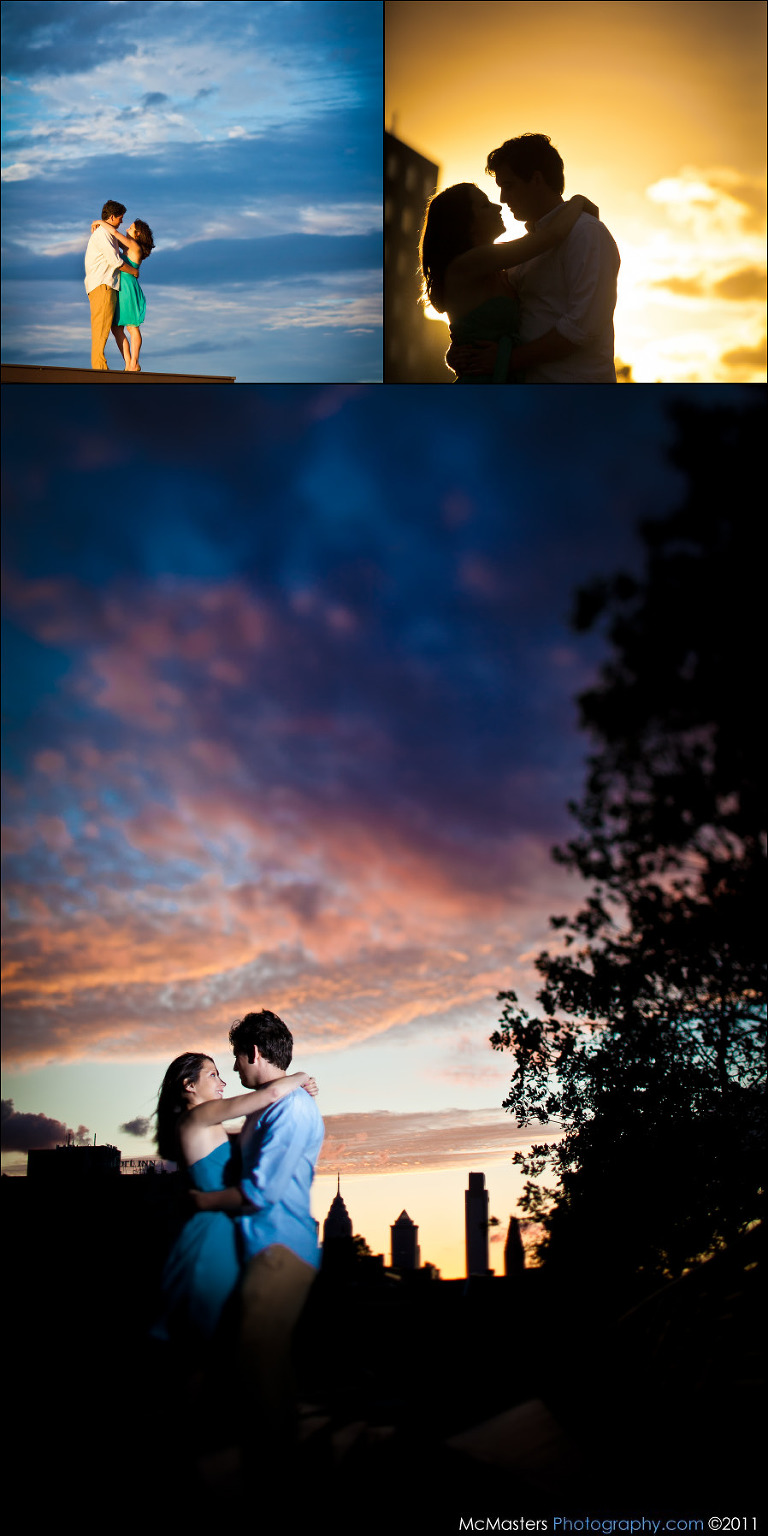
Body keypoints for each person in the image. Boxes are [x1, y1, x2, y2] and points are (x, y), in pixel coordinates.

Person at [152, 1051, 317, 1347]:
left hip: (224, 1228)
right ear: (190, 1085)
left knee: (215, 1342)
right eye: (213, 1075)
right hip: (211, 1232)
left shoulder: (206, 1124)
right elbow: (271, 1094)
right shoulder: (198, 1116)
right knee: (201, 1343)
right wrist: (301, 1077)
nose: (223, 1082)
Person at [223, 1009, 325, 1459]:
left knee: (255, 1357)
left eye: (236, 1057)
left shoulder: (290, 1107)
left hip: (279, 1247)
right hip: (266, 1246)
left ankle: (275, 1470)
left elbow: (262, 1190)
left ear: (254, 1052)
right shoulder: (270, 1106)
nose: (233, 1068)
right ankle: (283, 1462)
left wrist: (202, 1201)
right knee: (268, 1364)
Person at [445, 133, 620, 383]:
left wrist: (507, 359)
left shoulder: (586, 232)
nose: (502, 199)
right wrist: (462, 348)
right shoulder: (524, 250)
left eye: (509, 185)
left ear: (536, 179)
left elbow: (583, 326)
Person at [420, 182, 598, 383]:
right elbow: (551, 235)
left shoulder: (498, 267)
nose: (498, 206)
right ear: (466, 223)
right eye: (485, 205)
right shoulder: (466, 264)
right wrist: (578, 201)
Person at [90, 215, 155, 372]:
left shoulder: (134, 247)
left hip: (128, 288)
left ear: (137, 234)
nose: (126, 228)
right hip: (119, 287)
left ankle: (134, 363)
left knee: (132, 327)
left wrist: (100, 222)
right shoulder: (127, 246)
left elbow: (114, 233)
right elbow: (110, 239)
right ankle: (128, 363)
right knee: (116, 328)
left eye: (130, 228)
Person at [83, 200, 141, 371]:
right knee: (101, 329)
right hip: (103, 285)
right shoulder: (103, 234)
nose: (122, 222)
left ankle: (104, 366)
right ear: (113, 217)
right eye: (121, 218)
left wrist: (100, 222)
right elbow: (115, 262)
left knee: (106, 328)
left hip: (107, 285)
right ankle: (100, 368)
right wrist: (134, 271)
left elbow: (117, 237)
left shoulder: (108, 234)